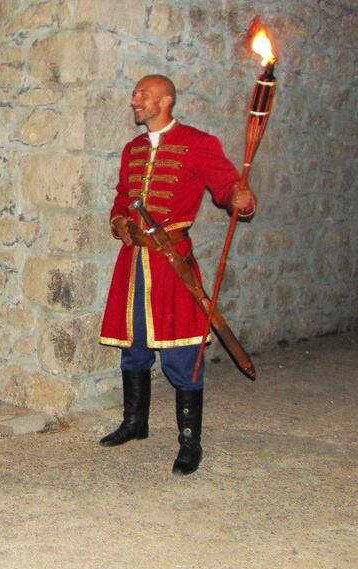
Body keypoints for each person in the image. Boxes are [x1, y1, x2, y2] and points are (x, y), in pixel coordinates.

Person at [98, 74, 257, 476]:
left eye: (143, 94)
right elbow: (122, 194)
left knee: (182, 350)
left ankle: (190, 442)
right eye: (135, 93)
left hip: (172, 264)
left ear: (165, 100)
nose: (135, 99)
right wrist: (118, 219)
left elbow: (225, 187)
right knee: (133, 345)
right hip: (133, 262)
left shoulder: (199, 143)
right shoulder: (132, 148)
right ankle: (135, 423)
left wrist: (240, 198)